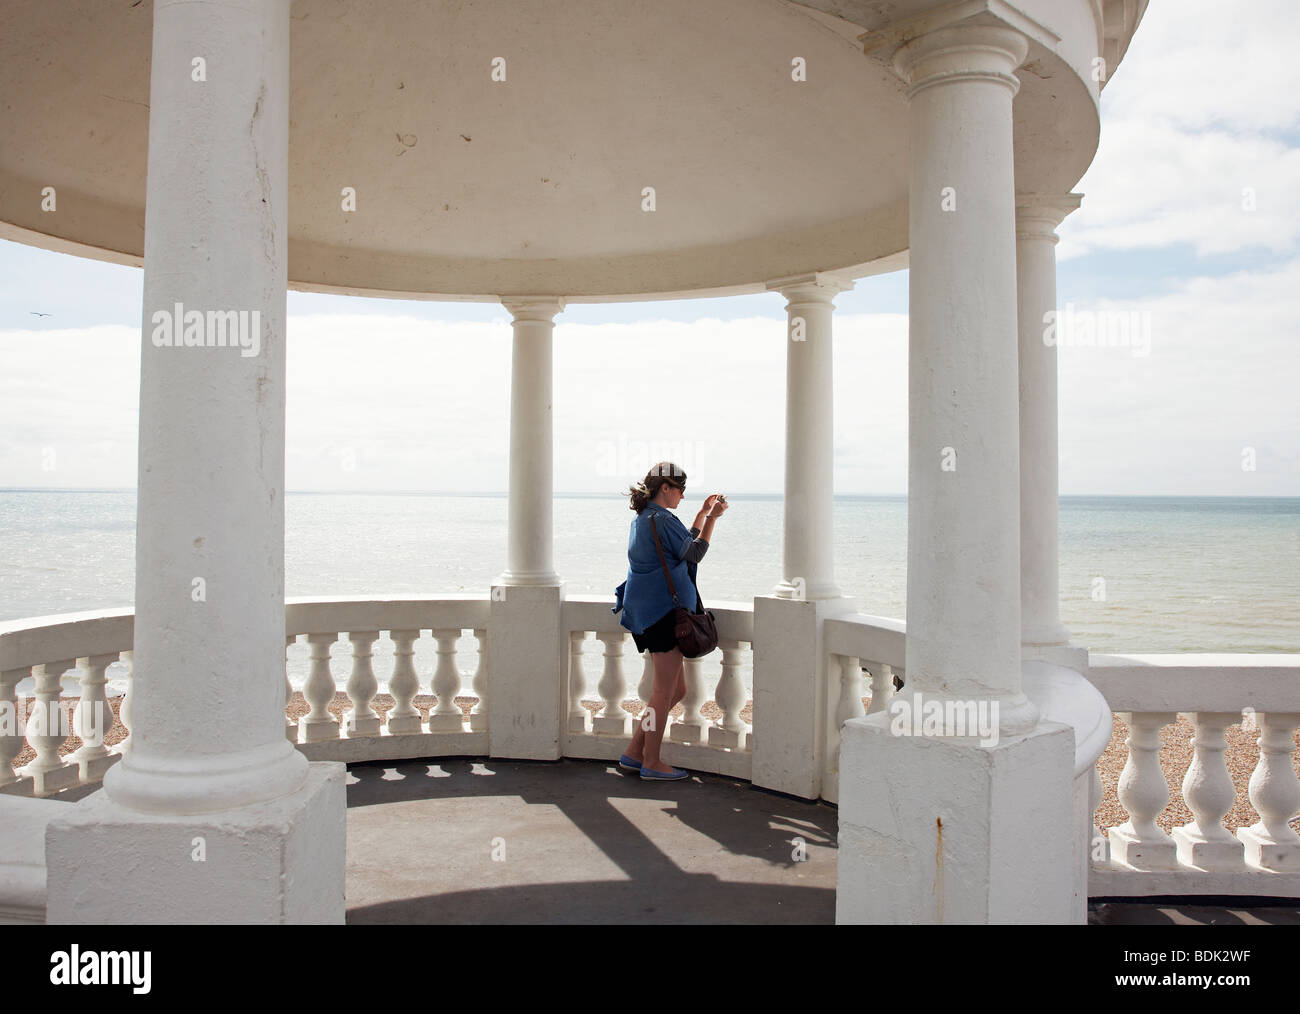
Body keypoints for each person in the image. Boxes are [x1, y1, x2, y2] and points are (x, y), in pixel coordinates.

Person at [611, 461, 728, 780]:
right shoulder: (661, 519)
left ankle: (635, 752)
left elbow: (679, 548)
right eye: (681, 490)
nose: (682, 496)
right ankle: (651, 762)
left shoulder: (644, 518)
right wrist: (713, 522)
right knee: (664, 692)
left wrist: (703, 515)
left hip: (648, 612)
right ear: (666, 488)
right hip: (664, 614)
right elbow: (694, 553)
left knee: (676, 689)